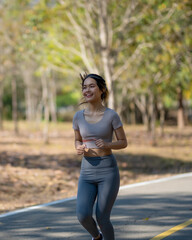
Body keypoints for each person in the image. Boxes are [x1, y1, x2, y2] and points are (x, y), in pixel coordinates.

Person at [72, 73, 127, 240]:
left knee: (103, 218)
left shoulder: (111, 115)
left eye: (91, 86)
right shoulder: (78, 117)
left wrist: (108, 144)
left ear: (102, 89)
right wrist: (78, 147)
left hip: (107, 171)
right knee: (83, 215)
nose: (87, 90)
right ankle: (97, 237)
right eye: (84, 87)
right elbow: (76, 139)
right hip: (87, 171)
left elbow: (123, 142)